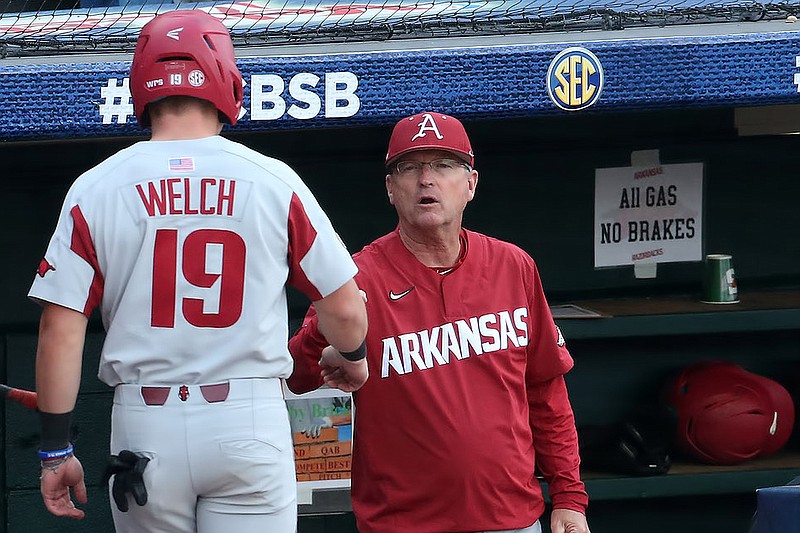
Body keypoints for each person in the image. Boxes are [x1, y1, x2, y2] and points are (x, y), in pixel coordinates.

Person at [29, 10, 367, 533]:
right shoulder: (272, 180)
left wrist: (55, 449)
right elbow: (345, 309)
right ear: (226, 78)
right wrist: (353, 357)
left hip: (145, 426)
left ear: (142, 82)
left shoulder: (96, 187)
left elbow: (59, 330)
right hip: (247, 418)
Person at [288, 111, 590, 533]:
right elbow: (297, 377)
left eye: (444, 165)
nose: (426, 179)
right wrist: (329, 322)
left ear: (471, 184)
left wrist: (569, 496)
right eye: (409, 167)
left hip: (511, 519)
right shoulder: (357, 277)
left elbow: (545, 389)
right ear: (391, 189)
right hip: (403, 524)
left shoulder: (514, 266)